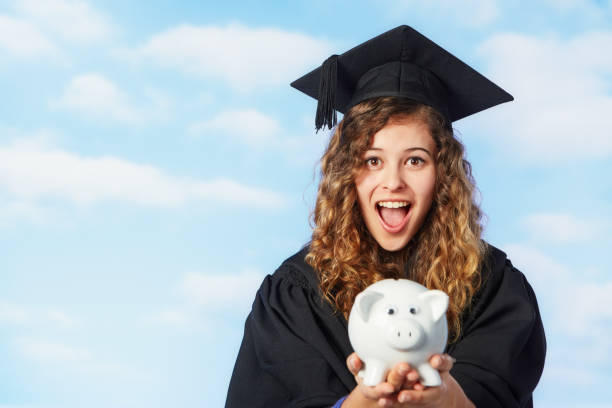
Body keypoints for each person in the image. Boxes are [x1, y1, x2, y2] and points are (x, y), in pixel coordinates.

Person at [225, 25, 546, 408]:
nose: (393, 181)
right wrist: (360, 403)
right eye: (372, 160)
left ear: (442, 174)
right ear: (348, 174)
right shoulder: (297, 291)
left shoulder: (491, 283)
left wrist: (448, 398)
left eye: (415, 160)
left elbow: (496, 389)